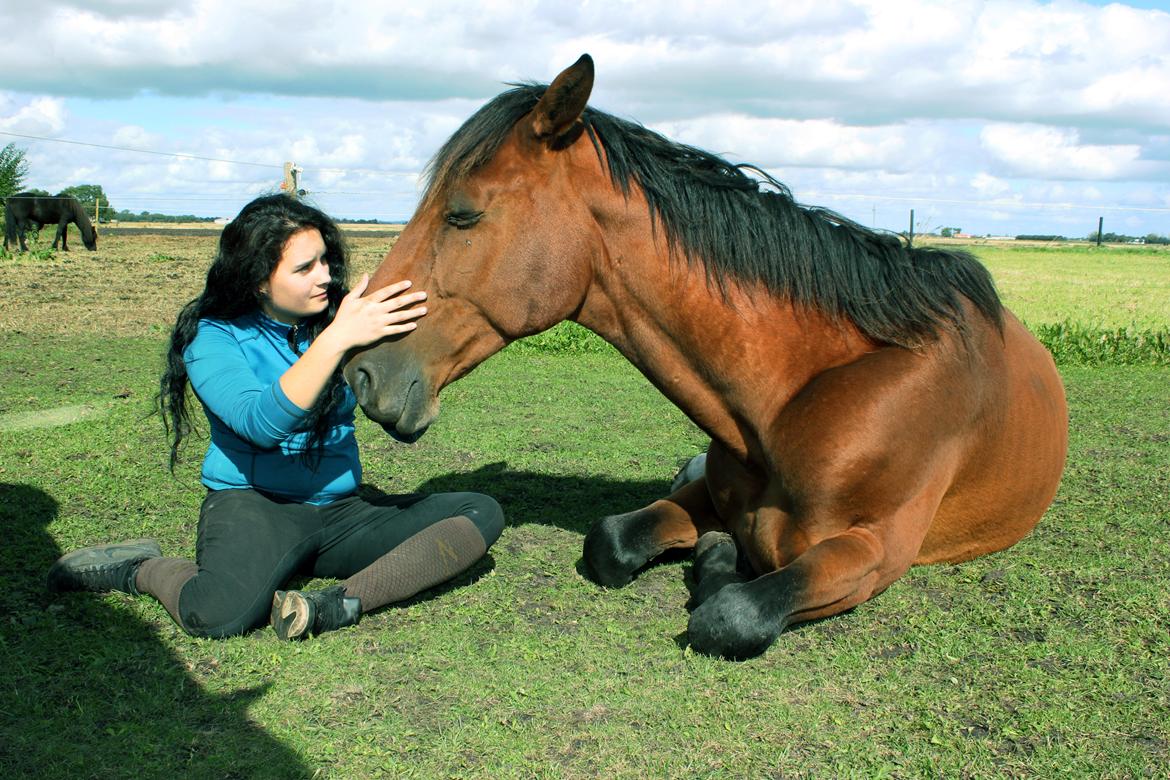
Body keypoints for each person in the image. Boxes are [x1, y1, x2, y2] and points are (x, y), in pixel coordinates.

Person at [47, 194, 503, 640]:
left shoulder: (338, 321)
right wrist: (337, 340)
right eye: (304, 268)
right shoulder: (214, 338)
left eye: (324, 260)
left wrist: (406, 375)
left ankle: (337, 603)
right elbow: (258, 425)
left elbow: (397, 421)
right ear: (259, 280)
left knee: (479, 511)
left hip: (343, 511)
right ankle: (140, 567)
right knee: (215, 614)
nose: (325, 276)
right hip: (256, 505)